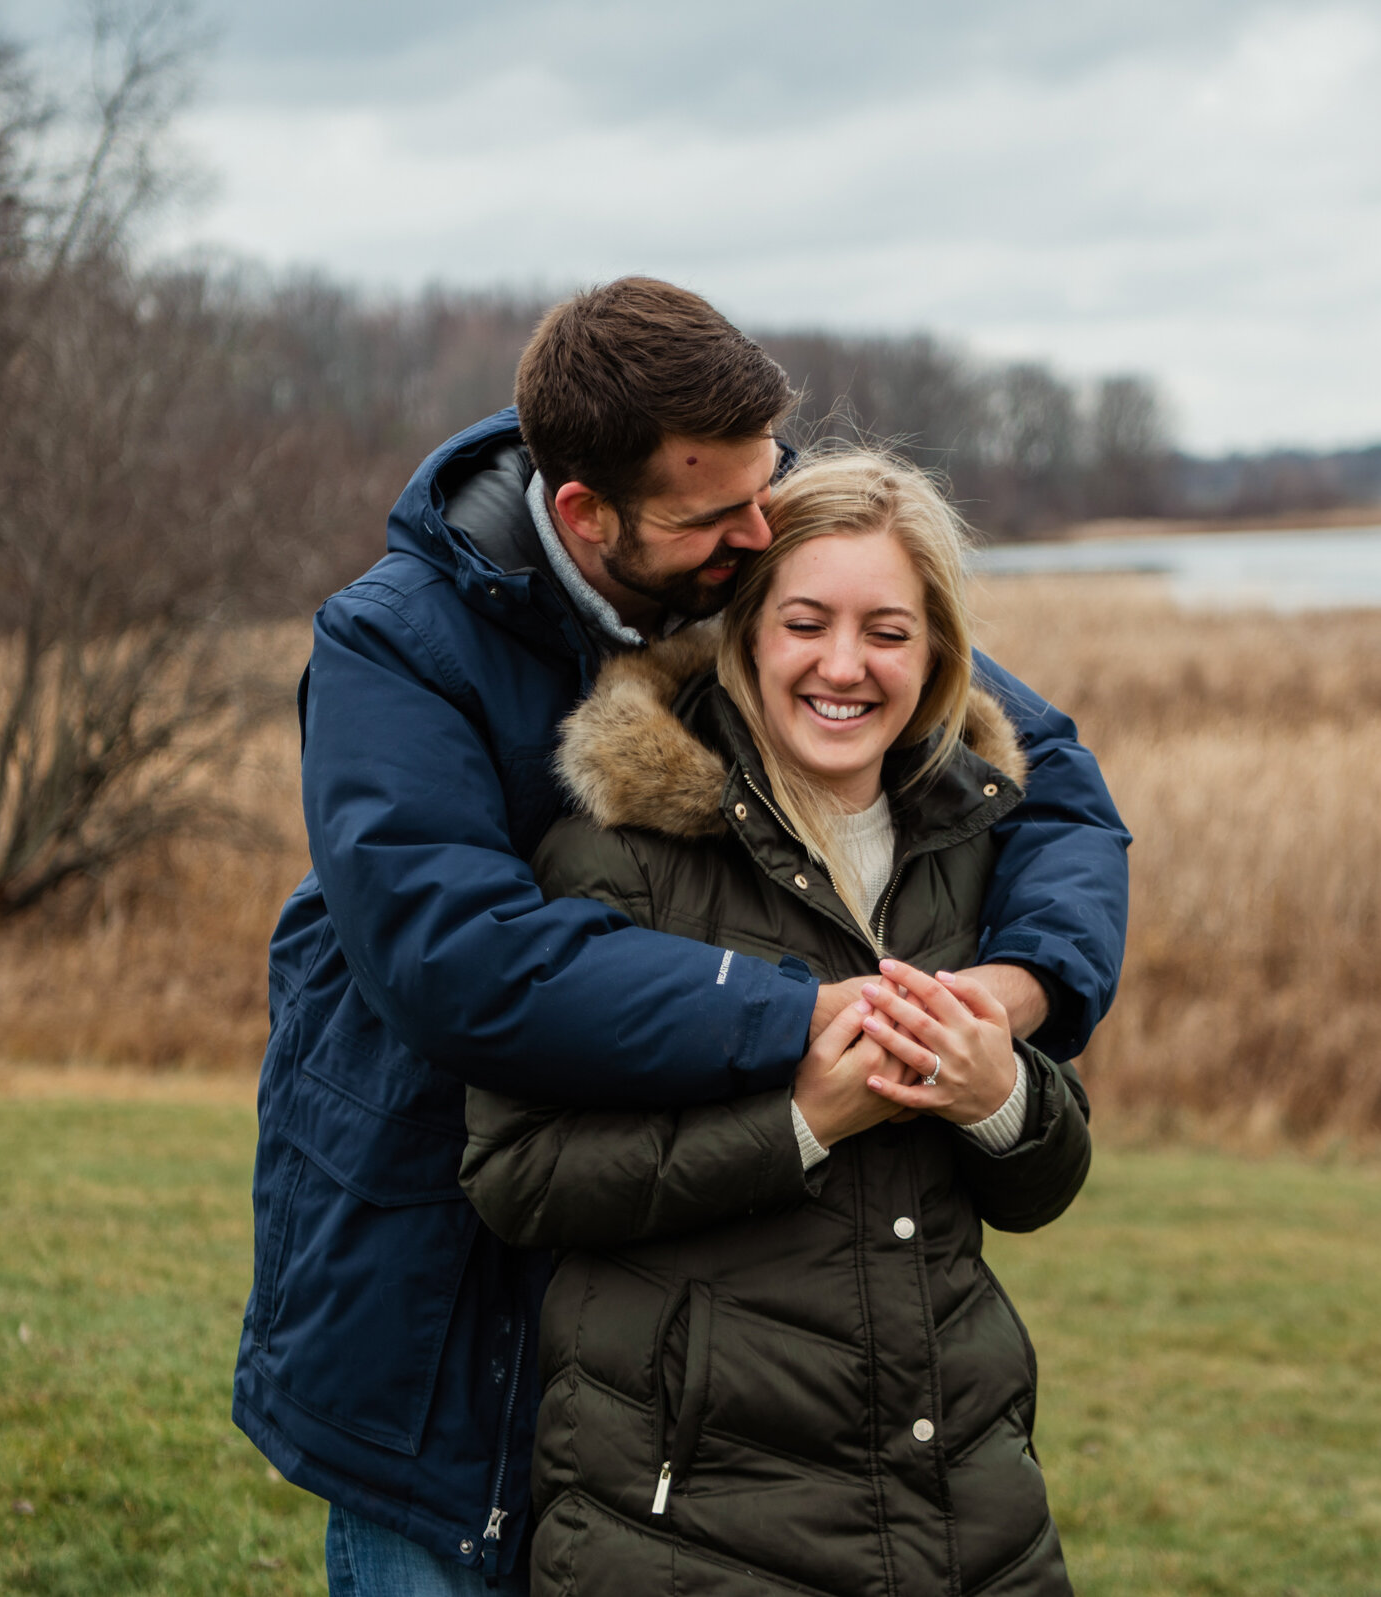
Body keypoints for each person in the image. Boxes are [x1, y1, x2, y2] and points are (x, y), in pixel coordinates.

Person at [233, 278, 1130, 1595]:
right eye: (721, 515)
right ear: (591, 515)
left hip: (685, 1321)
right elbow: (458, 962)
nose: (761, 531)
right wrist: (811, 1015)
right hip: (432, 1270)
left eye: (771, 488)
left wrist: (1014, 988)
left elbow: (1039, 769)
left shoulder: (745, 544)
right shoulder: (397, 648)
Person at [459, 449, 1091, 1595]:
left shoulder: (973, 842)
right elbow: (520, 1175)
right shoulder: (617, 859)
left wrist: (1002, 1099)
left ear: (940, 651)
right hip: (689, 1529)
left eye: (888, 632)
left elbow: (1041, 1181)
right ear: (745, 629)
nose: (844, 666)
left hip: (968, 1517)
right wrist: (798, 1124)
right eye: (807, 621)